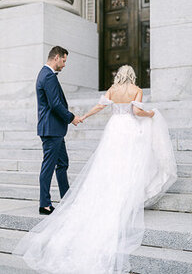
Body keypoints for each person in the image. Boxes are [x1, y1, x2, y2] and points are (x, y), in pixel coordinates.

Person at [13, 65, 177, 273]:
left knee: (109, 165)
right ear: (132, 75)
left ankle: (109, 195)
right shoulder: (136, 90)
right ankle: (125, 197)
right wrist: (151, 113)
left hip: (114, 129)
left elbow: (99, 107)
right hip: (129, 129)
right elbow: (136, 111)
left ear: (119, 75)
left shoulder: (112, 89)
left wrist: (83, 117)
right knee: (128, 164)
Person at [36, 46, 82, 215]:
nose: (64, 64)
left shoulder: (46, 74)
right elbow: (55, 104)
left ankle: (67, 199)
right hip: (51, 129)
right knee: (48, 166)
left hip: (54, 129)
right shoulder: (48, 76)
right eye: (63, 60)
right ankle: (44, 204)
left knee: (62, 163)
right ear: (56, 57)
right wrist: (71, 118)